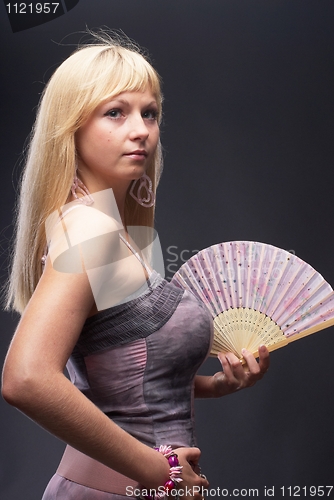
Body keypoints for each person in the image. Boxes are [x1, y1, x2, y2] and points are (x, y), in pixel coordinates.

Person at [1, 32, 269, 499]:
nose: (141, 129)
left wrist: (214, 386)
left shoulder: (119, 231)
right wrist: (157, 469)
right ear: (71, 128)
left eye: (150, 112)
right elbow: (26, 378)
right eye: (115, 112)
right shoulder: (89, 231)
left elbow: (123, 377)